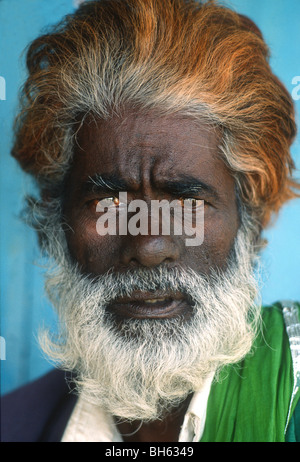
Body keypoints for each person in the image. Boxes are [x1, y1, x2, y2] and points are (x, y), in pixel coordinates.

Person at [1, 0, 299, 443]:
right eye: (108, 202)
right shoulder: (14, 425)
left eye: (186, 201)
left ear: (248, 221)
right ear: (53, 222)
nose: (148, 245)